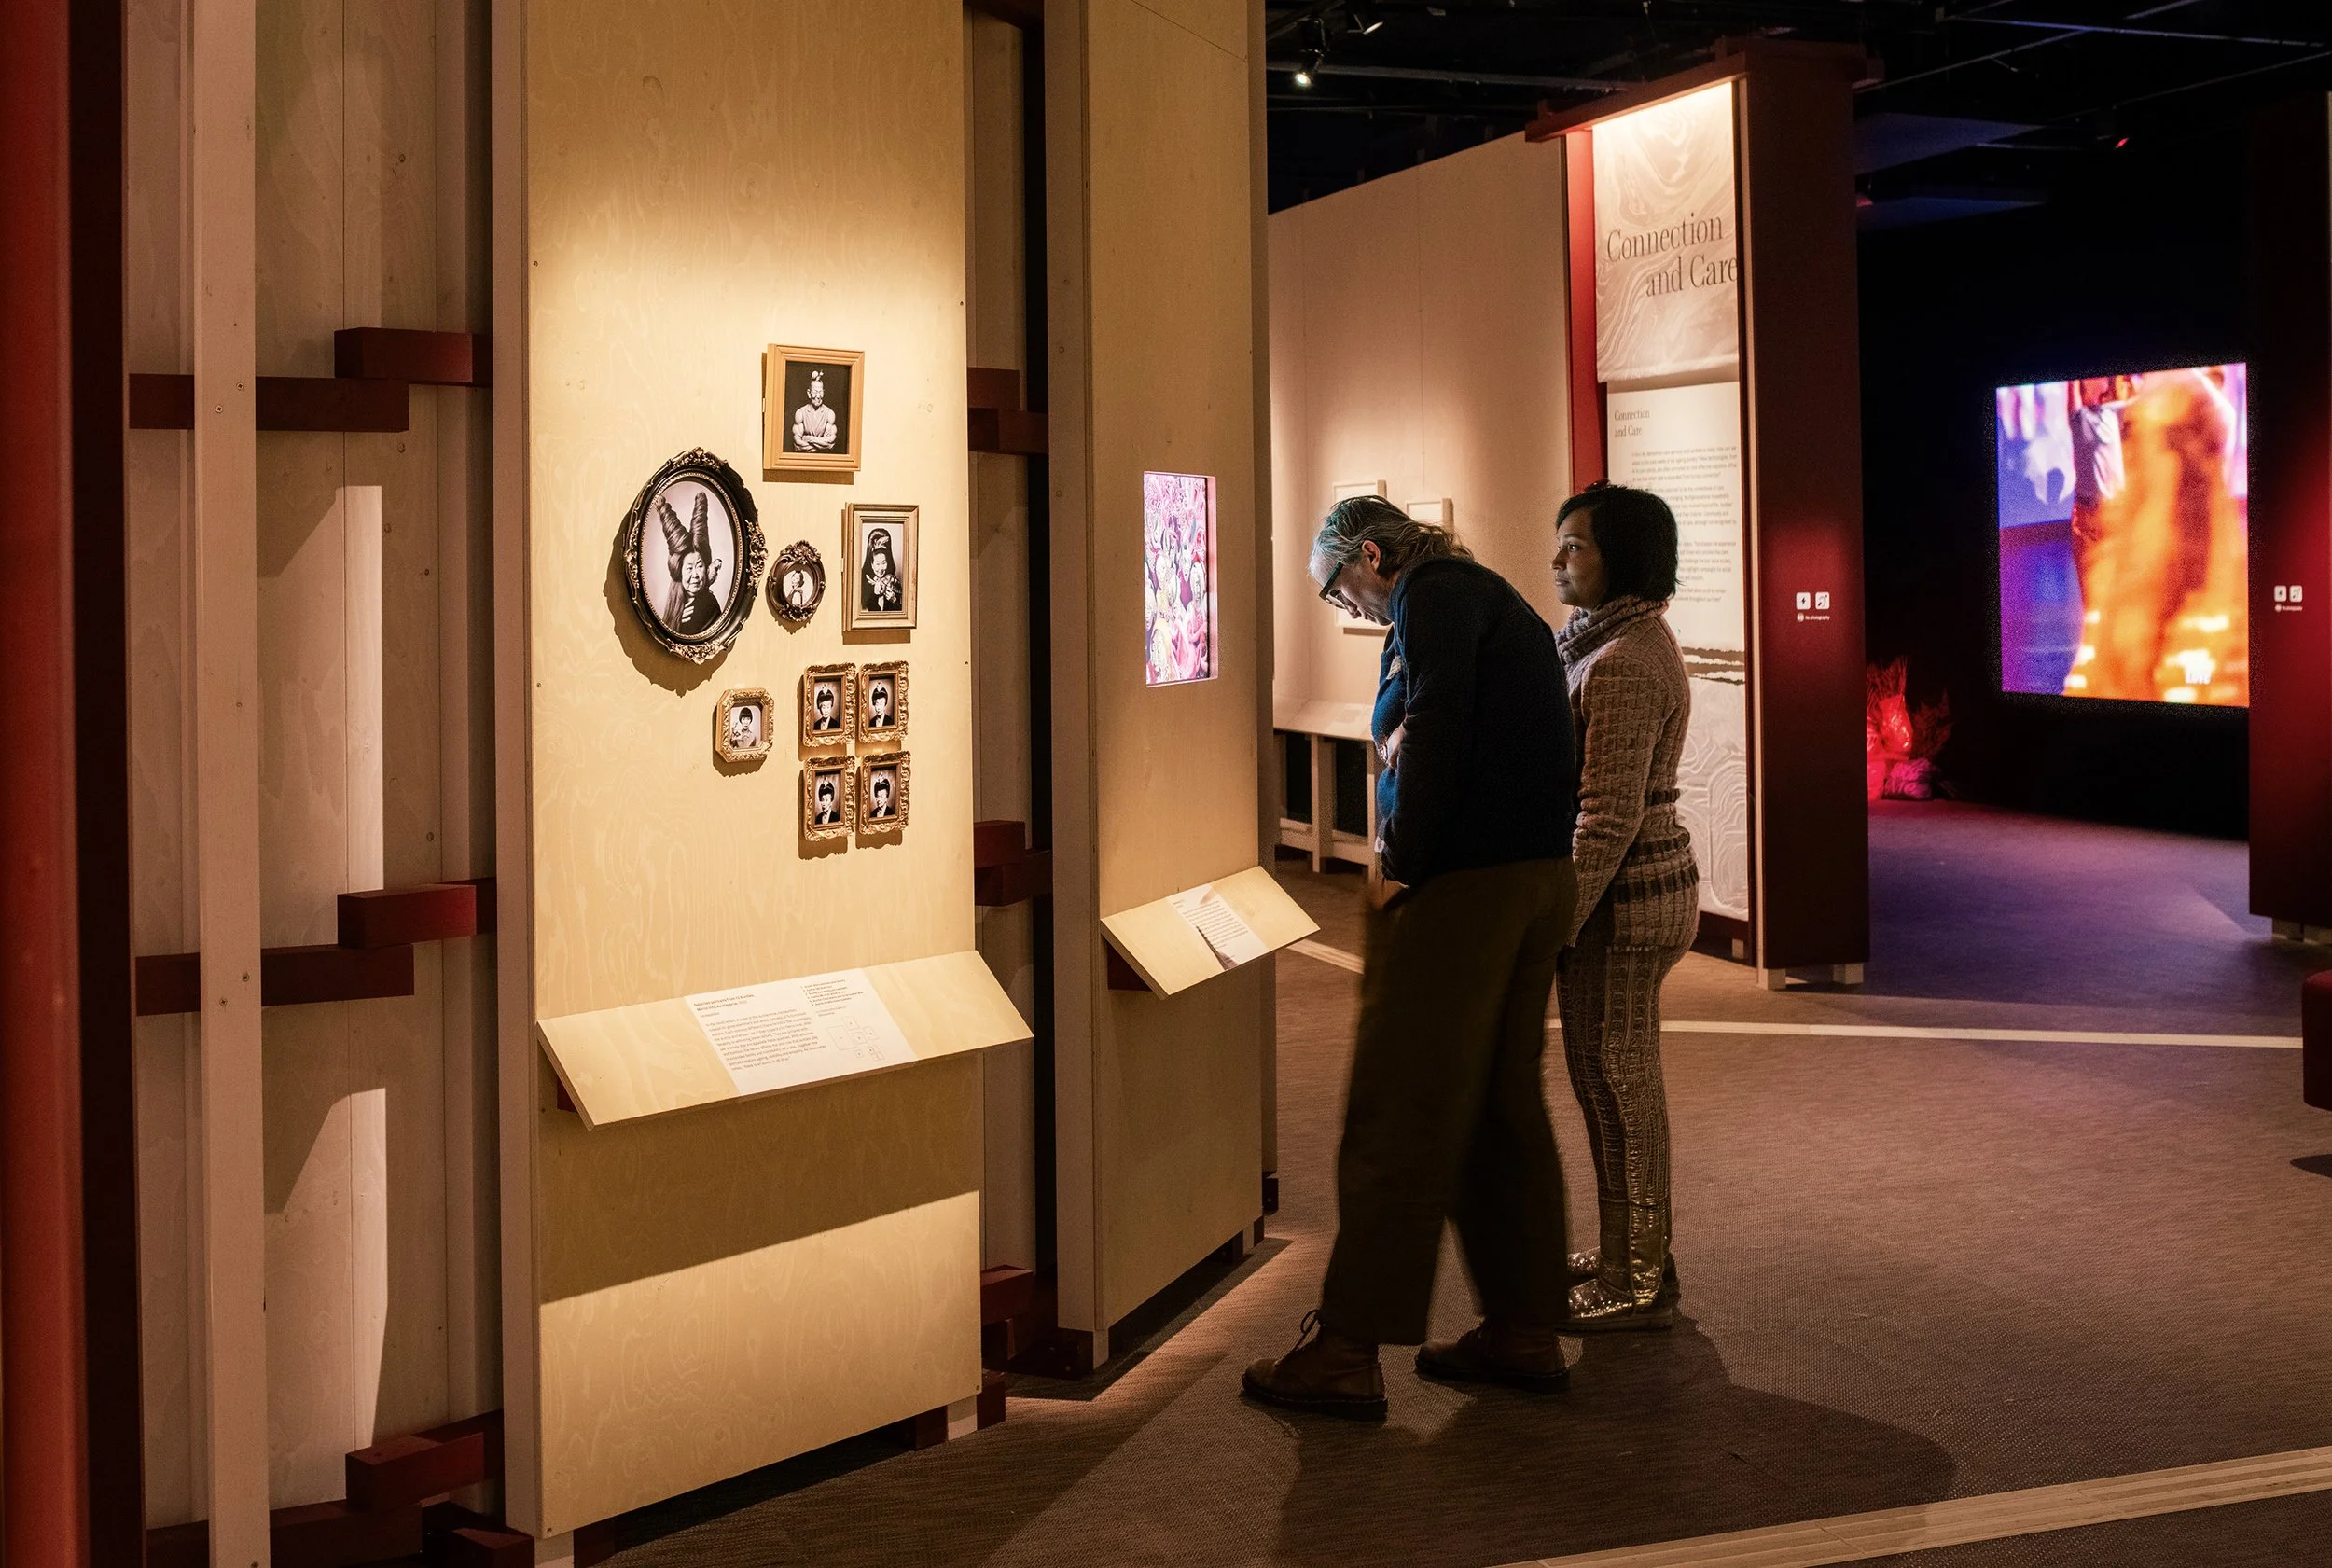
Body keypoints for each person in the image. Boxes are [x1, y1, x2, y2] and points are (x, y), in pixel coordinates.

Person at [1242, 493, 1580, 1421]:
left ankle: (1346, 1348)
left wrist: (1402, 858)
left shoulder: (1433, 595)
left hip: (1466, 887)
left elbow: (1435, 729)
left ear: (1377, 553)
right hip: (1531, 875)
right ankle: (1522, 1327)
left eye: (1340, 584)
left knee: (1400, 1107)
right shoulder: (1477, 596)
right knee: (1496, 1110)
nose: (1342, 606)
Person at [1548, 480, 1699, 1331]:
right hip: (1616, 897)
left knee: (1621, 1081)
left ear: (1622, 558)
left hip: (1628, 903)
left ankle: (1638, 1270)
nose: (1560, 561)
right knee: (1600, 1079)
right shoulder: (1604, 642)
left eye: (1576, 546)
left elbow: (1606, 816)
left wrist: (1556, 924)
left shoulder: (1628, 660)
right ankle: (1624, 1246)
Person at [656, 492, 724, 635]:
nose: (695, 575)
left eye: (699, 566)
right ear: (679, 571)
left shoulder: (710, 605)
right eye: (689, 568)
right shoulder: (674, 603)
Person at [792, 370, 839, 452]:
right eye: (815, 392)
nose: (818, 396)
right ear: (809, 393)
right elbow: (798, 445)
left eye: (820, 392)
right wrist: (820, 444)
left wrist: (809, 438)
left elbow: (830, 444)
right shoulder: (800, 413)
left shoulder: (829, 414)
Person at [862, 529, 903, 614]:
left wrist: (894, 600)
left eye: (884, 563)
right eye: (877, 564)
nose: (881, 568)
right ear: (872, 564)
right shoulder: (863, 584)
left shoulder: (893, 582)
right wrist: (875, 596)